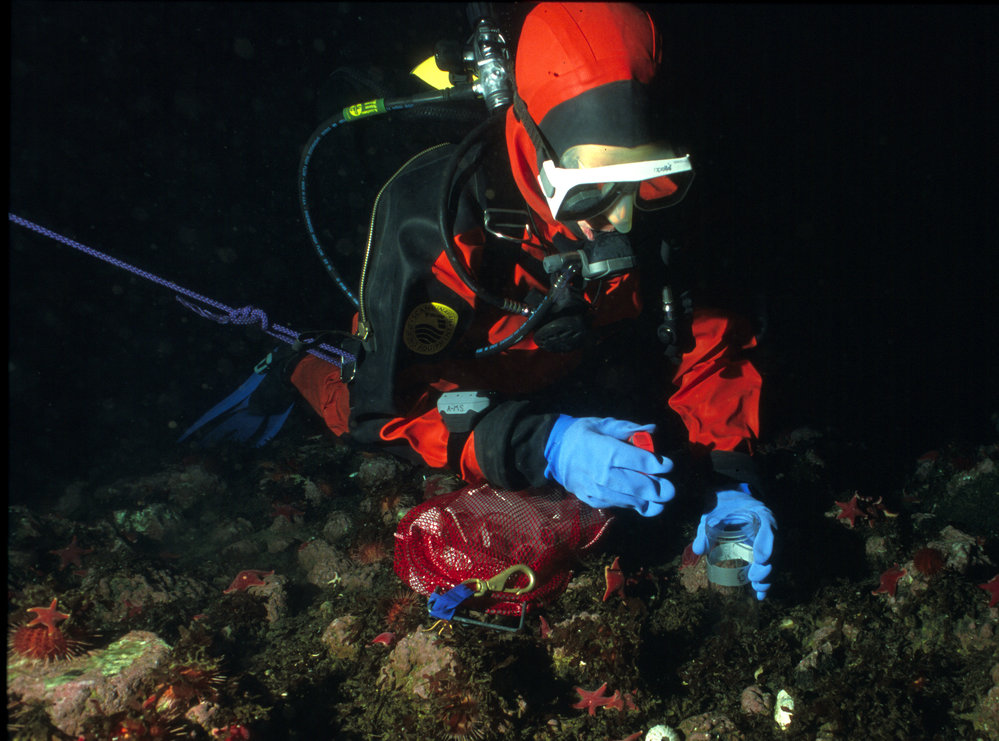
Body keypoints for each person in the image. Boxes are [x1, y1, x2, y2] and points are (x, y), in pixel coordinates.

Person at [188, 2, 775, 599]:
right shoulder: (433, 221)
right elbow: (387, 408)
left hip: (569, 355)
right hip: (457, 369)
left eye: (642, 184)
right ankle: (291, 362)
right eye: (591, 191)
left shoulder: (657, 209)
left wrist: (734, 478)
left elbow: (707, 339)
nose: (621, 217)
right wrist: (538, 442)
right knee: (349, 405)